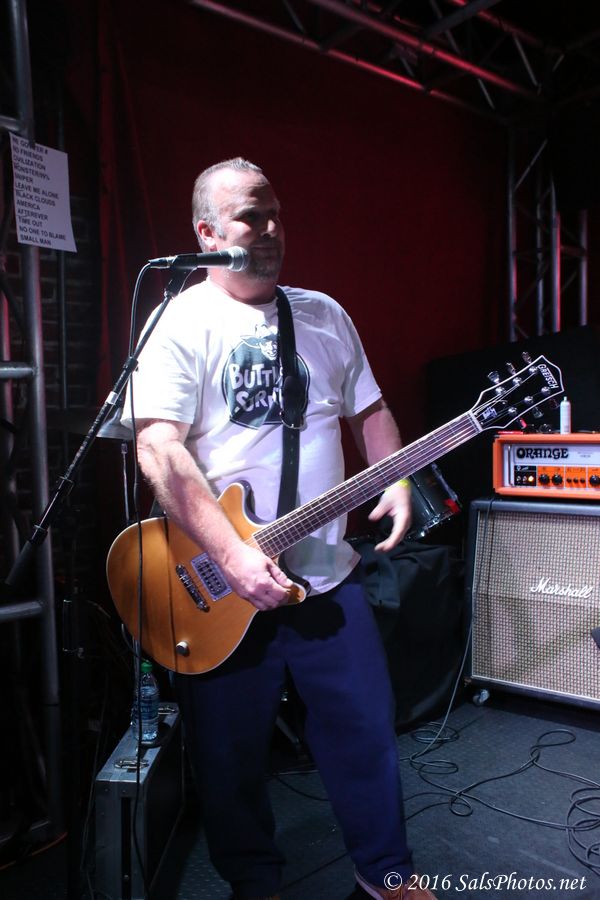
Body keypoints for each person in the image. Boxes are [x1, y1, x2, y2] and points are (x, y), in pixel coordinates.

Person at [122, 157, 436, 900]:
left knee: (364, 730)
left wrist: (397, 476)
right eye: (250, 217)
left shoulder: (324, 315)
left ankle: (386, 874)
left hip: (327, 571)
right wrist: (232, 555)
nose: (269, 230)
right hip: (220, 583)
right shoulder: (177, 321)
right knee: (229, 756)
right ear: (206, 233)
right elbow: (158, 447)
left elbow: (371, 411)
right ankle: (253, 882)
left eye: (276, 215)